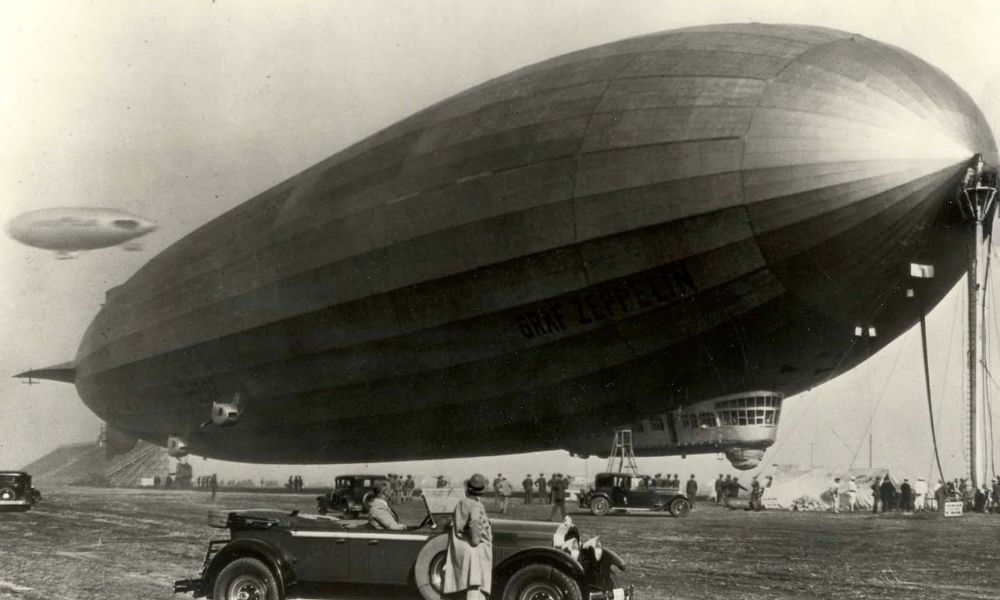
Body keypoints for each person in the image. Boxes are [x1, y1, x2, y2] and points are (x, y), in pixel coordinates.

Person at [444, 474, 492, 600]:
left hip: (460, 546)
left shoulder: (461, 503)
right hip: (473, 549)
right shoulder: (476, 505)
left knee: (465, 585)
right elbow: (474, 522)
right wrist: (476, 540)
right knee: (475, 587)